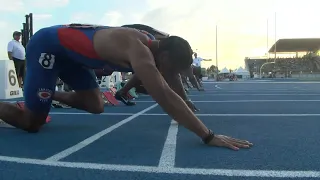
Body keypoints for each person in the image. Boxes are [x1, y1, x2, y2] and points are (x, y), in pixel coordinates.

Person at [0, 24, 252, 150]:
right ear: (164, 58)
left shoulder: (158, 48)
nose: (173, 74)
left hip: (74, 58)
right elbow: (163, 93)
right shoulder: (139, 51)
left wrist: (185, 101)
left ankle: (44, 95)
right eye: (172, 67)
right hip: (48, 47)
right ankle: (35, 103)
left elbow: (171, 81)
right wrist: (208, 136)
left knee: (96, 105)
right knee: (32, 123)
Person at [115, 24, 203, 108]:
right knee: (149, 70)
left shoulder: (176, 54)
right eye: (174, 69)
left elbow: (174, 76)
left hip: (138, 39)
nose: (176, 73)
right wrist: (185, 100)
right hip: (122, 38)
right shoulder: (146, 47)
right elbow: (174, 76)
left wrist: (186, 99)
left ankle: (124, 91)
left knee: (148, 69)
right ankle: (125, 90)